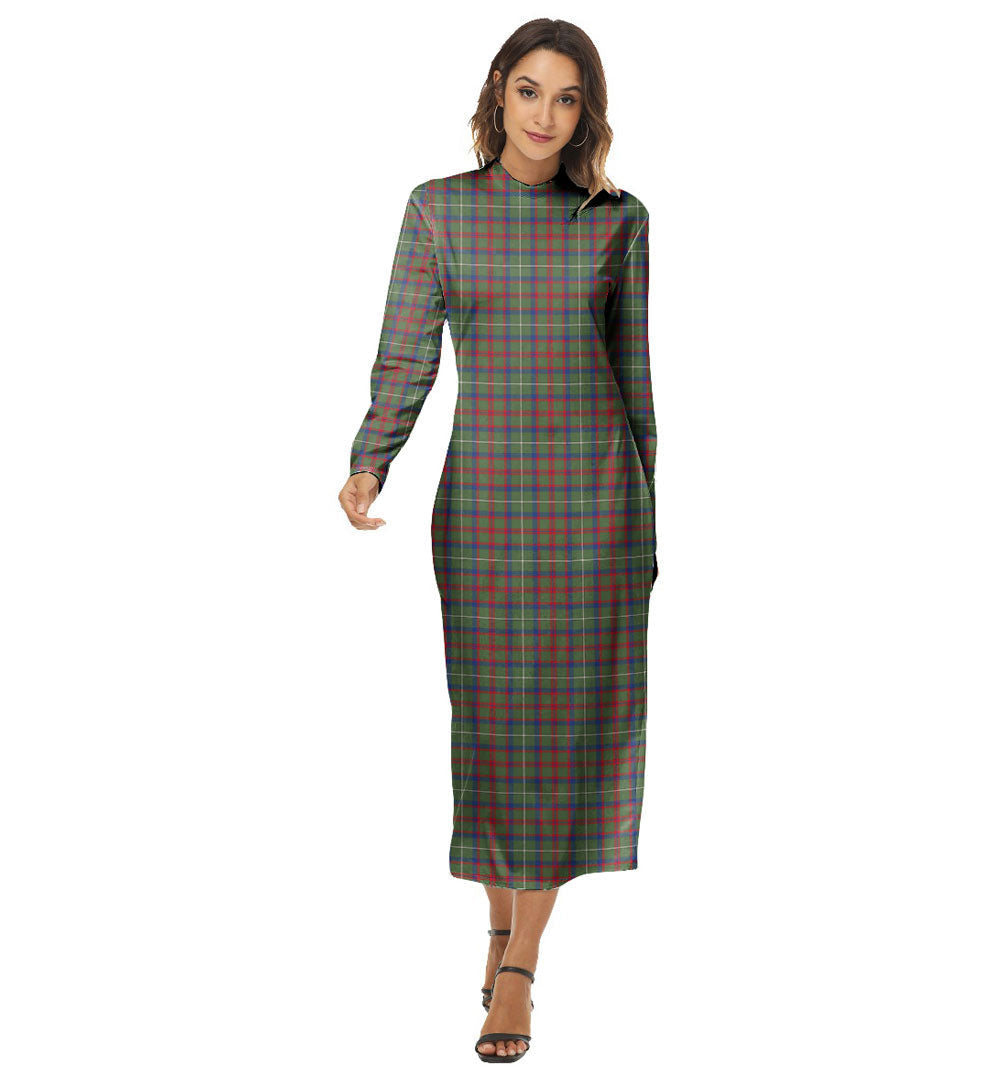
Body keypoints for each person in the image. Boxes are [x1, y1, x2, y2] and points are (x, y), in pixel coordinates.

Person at [338, 19, 658, 1062]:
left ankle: (519, 964)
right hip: (485, 509)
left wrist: (648, 520)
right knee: (492, 729)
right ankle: (496, 924)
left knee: (566, 735)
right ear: (498, 92)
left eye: (567, 98)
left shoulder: (618, 219)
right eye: (530, 91)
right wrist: (371, 461)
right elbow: (404, 357)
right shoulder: (439, 210)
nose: (545, 116)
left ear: (586, 112)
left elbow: (635, 380)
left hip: (595, 510)